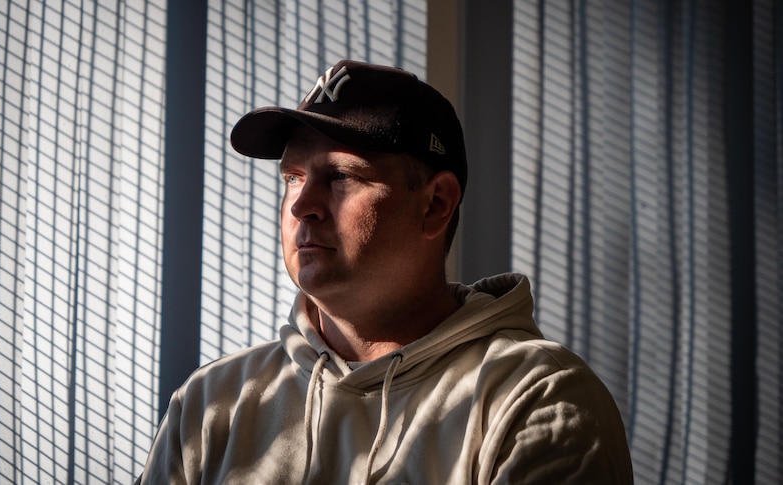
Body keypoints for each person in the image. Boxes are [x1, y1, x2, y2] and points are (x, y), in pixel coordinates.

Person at [136, 59, 633, 484]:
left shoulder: (534, 399)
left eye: (341, 177)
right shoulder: (211, 402)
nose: (301, 205)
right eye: (293, 177)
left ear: (435, 204)